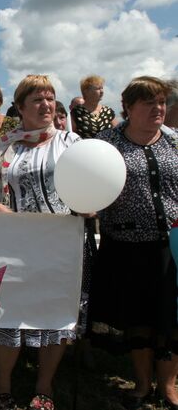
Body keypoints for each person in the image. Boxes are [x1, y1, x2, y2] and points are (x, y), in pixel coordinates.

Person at [0, 75, 80, 410]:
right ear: (20, 107)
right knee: (9, 316)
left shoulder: (71, 144)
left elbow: (92, 185)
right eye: (37, 99)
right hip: (13, 248)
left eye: (50, 98)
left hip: (59, 248)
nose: (46, 104)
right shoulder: (2, 147)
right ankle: (2, 385)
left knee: (53, 318)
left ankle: (44, 387)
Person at [89, 76, 178, 410]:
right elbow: (92, 184)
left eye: (162, 102)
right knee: (138, 318)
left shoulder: (175, 141)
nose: (158, 109)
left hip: (174, 245)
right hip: (126, 246)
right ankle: (142, 384)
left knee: (172, 319)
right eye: (149, 103)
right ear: (128, 107)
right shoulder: (106, 142)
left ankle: (169, 386)